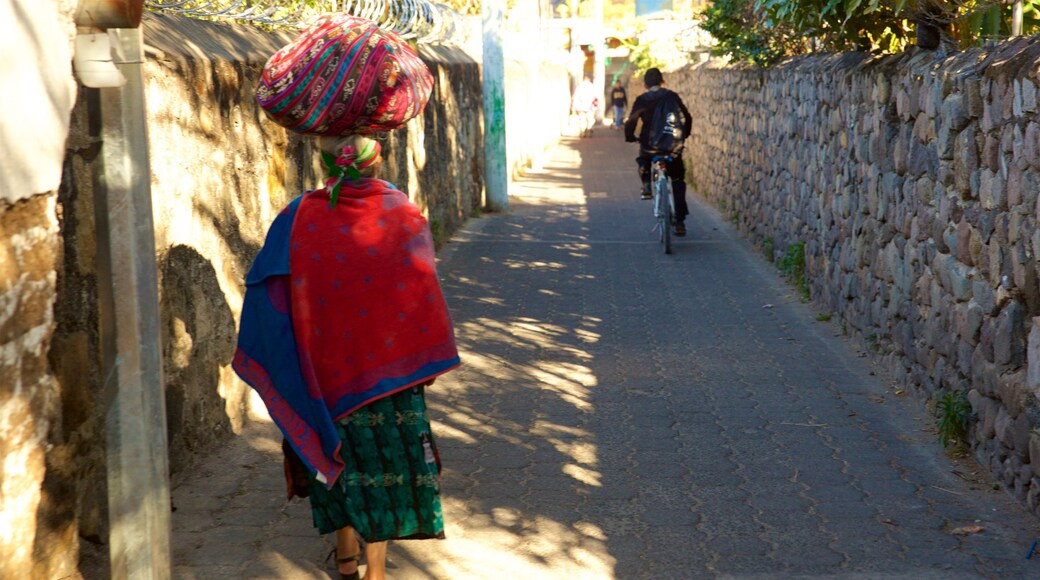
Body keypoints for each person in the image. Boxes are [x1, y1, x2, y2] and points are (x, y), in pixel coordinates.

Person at [235, 14, 460, 580]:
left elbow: (268, 292)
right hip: (391, 377)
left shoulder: (297, 218)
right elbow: (422, 294)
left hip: (324, 378)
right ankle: (376, 571)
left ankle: (345, 558)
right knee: (382, 475)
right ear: (375, 156)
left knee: (336, 463)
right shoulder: (403, 213)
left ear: (324, 155)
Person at [624, 67, 693, 237]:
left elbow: (631, 120)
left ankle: (647, 185)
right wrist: (684, 135)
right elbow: (687, 117)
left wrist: (630, 136)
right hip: (672, 146)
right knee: (677, 179)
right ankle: (680, 221)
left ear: (645, 84)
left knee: (644, 158)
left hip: (650, 145)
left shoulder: (642, 99)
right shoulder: (672, 96)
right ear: (663, 81)